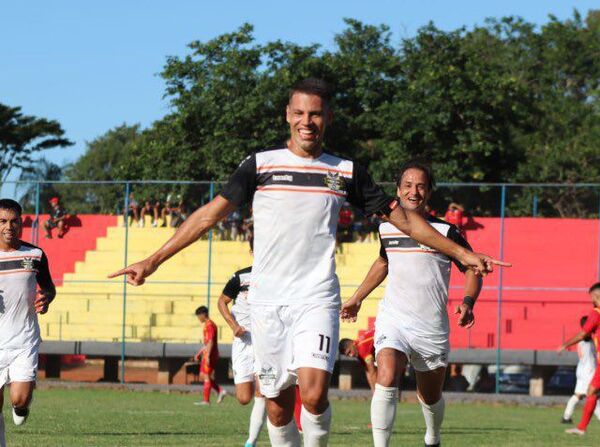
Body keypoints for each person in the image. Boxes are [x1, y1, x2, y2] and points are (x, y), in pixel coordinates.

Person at [109, 78, 508, 447]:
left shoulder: (345, 171)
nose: (307, 121)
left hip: (316, 299)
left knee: (314, 394)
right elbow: (209, 215)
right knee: (279, 406)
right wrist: (154, 259)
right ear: (287, 115)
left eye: (315, 114)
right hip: (267, 303)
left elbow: (403, 219)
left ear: (327, 118)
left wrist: (462, 253)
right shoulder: (259, 165)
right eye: (299, 113)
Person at [341, 160, 484, 447]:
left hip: (430, 326)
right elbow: (383, 262)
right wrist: (357, 297)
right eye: (407, 185)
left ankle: (433, 436)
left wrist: (468, 302)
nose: (413, 191)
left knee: (430, 396)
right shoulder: (387, 229)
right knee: (387, 374)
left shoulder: (446, 232)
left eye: (420, 186)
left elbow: (472, 268)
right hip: (394, 319)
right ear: (397, 189)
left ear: (429, 192)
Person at [0, 199, 56, 447]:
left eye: (14, 221)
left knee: (19, 400)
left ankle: (22, 408)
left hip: (24, 339)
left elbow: (49, 288)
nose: (8, 227)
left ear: (22, 223)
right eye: (2, 221)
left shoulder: (35, 255)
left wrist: (46, 299)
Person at [217, 238, 266, 447]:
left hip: (266, 342)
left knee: (262, 391)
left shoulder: (278, 277)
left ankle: (251, 442)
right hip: (242, 342)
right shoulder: (240, 276)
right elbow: (221, 302)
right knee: (244, 398)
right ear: (252, 251)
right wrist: (233, 326)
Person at [558, 282, 600, 436]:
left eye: (592, 297)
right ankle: (581, 428)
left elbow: (583, 334)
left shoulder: (595, 313)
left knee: (591, 392)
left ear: (596, 296)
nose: (592, 301)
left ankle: (581, 428)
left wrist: (564, 344)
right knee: (592, 391)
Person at [561, 315, 600, 424]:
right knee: (593, 396)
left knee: (578, 395)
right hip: (589, 370)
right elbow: (588, 336)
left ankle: (566, 416)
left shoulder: (580, 340)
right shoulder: (587, 338)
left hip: (581, 369)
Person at [193, 306, 226, 405]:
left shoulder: (210, 325)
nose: (198, 318)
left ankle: (206, 400)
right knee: (203, 375)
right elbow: (207, 343)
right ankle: (220, 391)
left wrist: (207, 356)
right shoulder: (207, 325)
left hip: (210, 355)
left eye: (198, 316)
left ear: (203, 314)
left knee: (206, 376)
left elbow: (211, 342)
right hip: (208, 353)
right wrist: (199, 354)